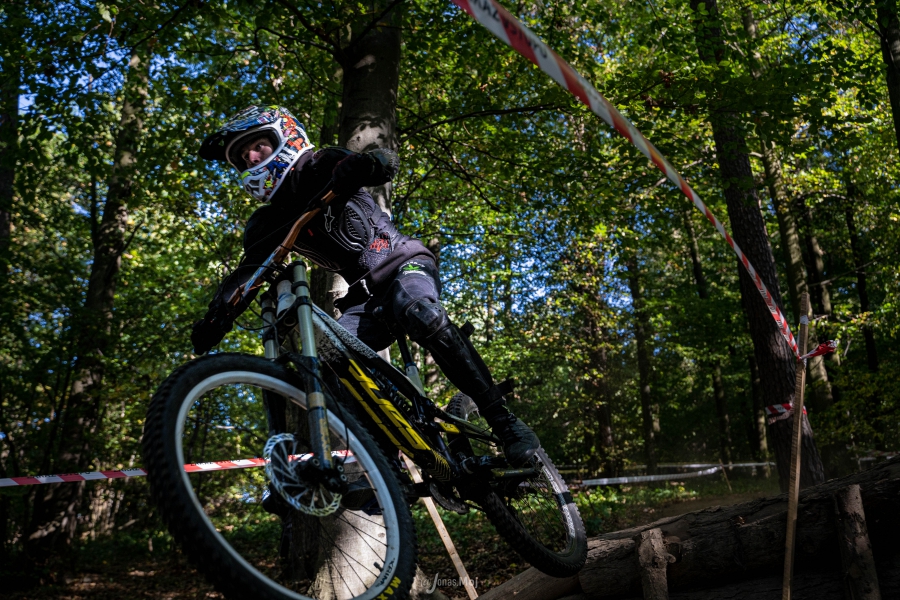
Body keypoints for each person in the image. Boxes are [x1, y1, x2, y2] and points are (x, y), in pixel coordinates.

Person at [190, 105, 539, 466]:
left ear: (285, 136)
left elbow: (382, 163)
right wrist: (217, 317)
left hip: (403, 263)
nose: (251, 158)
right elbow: (248, 274)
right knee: (331, 364)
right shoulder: (267, 223)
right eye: (242, 157)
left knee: (420, 312)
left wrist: (366, 165)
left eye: (257, 146)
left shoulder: (321, 164)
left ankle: (504, 423)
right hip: (363, 298)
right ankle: (386, 466)